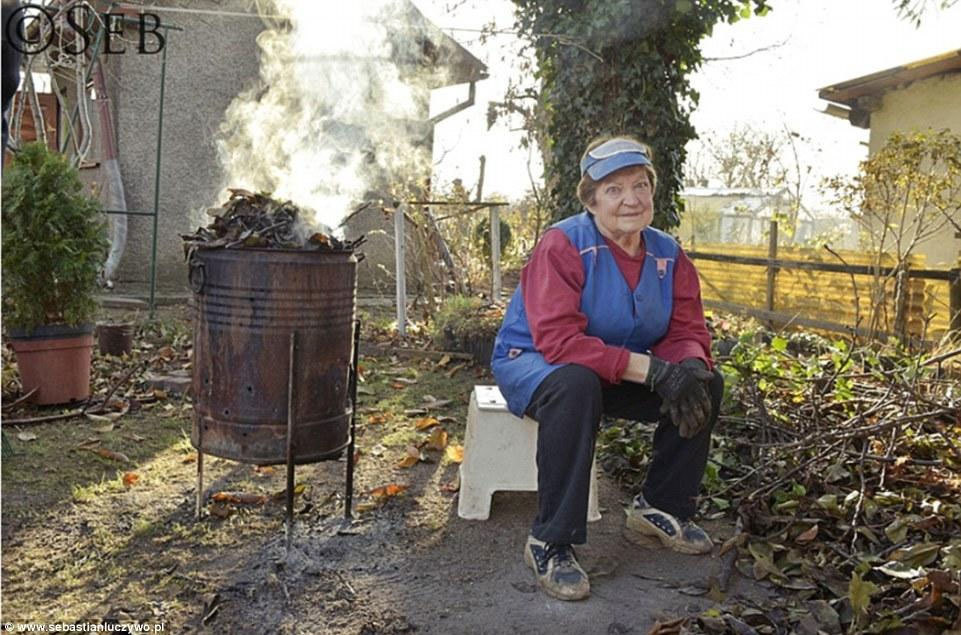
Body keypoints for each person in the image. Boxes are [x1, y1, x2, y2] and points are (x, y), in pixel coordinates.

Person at [490, 135, 723, 601]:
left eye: (640, 186)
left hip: (617, 367)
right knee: (576, 386)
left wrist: (689, 366)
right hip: (538, 363)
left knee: (705, 384)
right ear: (591, 200)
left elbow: (684, 329)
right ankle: (550, 540)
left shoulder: (667, 255)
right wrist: (656, 372)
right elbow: (558, 342)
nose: (631, 200)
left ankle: (659, 507)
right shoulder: (564, 245)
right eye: (614, 190)